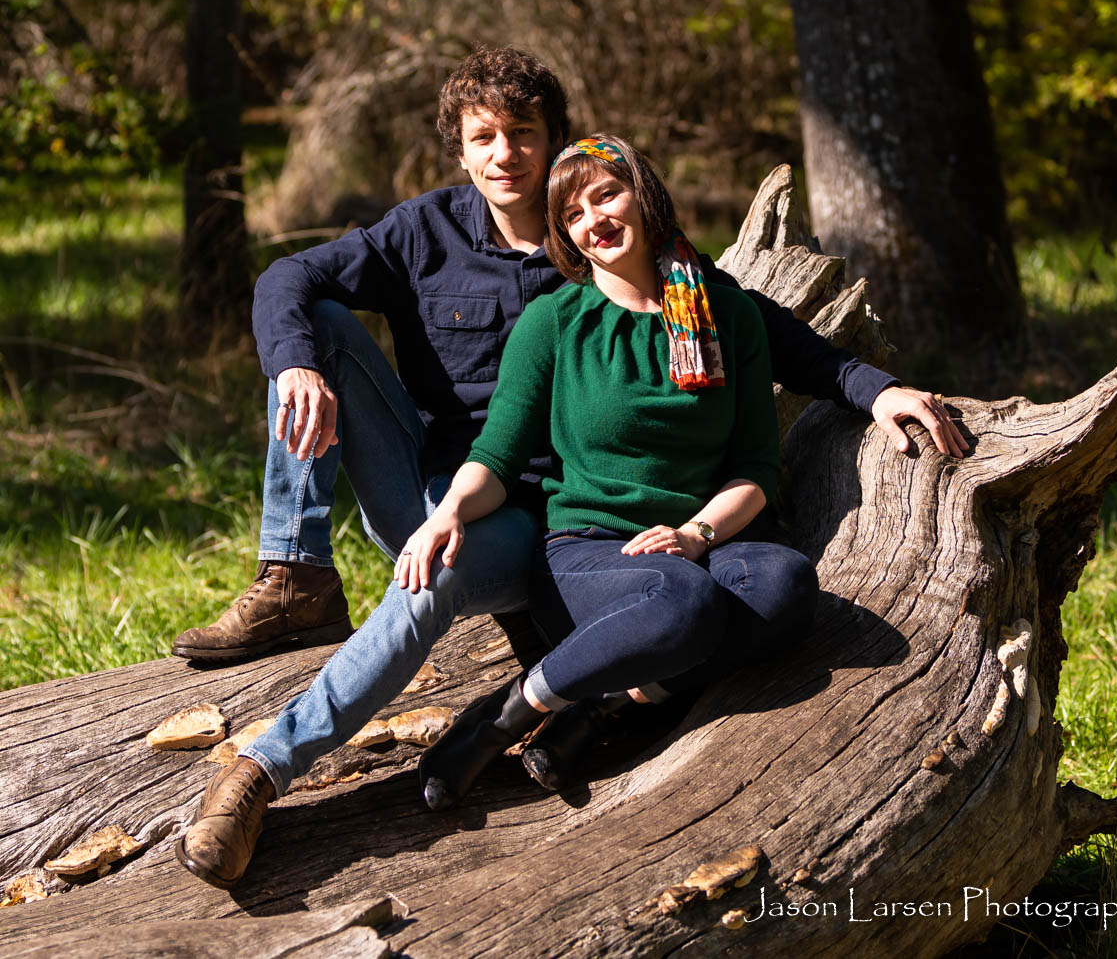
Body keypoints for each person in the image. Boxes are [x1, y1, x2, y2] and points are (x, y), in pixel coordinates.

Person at [173, 50, 967, 889]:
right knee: (314, 328)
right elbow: (287, 277)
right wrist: (295, 365)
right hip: (443, 487)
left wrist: (874, 388)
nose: (504, 154)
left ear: (558, 141)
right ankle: (291, 599)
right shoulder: (424, 232)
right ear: (460, 151)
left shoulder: (614, 252)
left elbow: (766, 329)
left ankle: (557, 700)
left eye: (523, 133)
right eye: (484, 138)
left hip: (543, 520)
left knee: (733, 590)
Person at [407, 135, 819, 810]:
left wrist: (694, 535)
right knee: (682, 600)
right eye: (572, 213)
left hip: (701, 543)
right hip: (587, 555)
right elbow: (498, 457)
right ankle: (501, 719)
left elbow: (755, 468)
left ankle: (599, 706)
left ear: (644, 196)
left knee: (785, 584)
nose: (593, 220)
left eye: (606, 196)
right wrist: (448, 512)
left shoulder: (727, 315)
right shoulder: (554, 322)